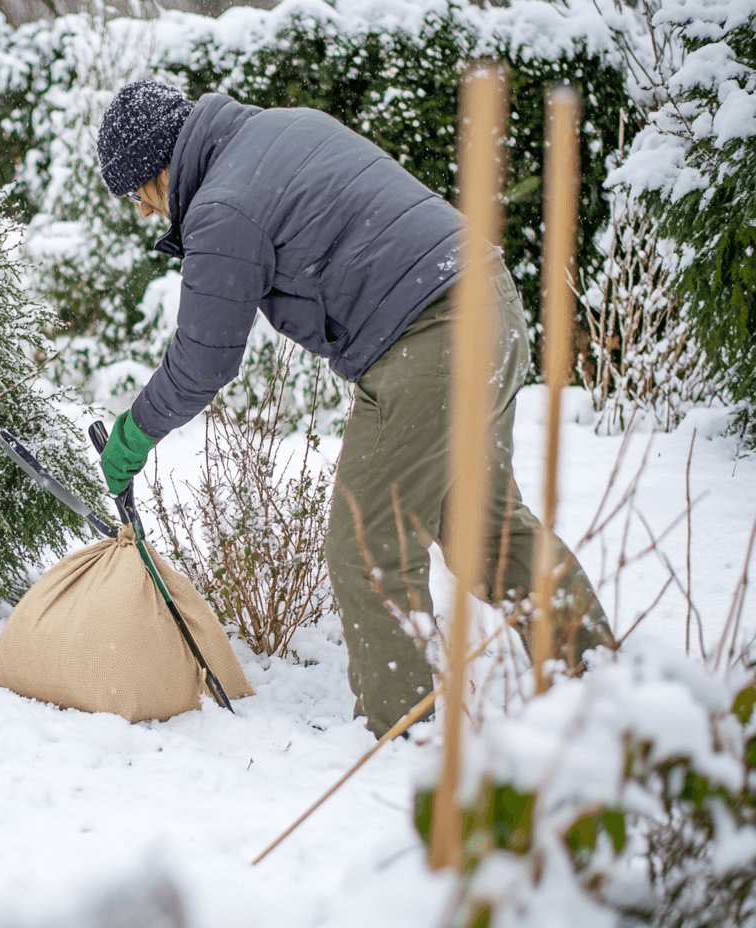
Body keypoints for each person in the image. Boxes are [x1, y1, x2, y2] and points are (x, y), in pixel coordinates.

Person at [95, 79, 614, 736]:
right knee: (481, 527)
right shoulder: (276, 127)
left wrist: (136, 432)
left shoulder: (222, 205)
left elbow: (205, 360)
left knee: (367, 544)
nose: (143, 211)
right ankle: (600, 675)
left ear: (158, 164)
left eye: (136, 192)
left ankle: (403, 731)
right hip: (488, 307)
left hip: (433, 341)